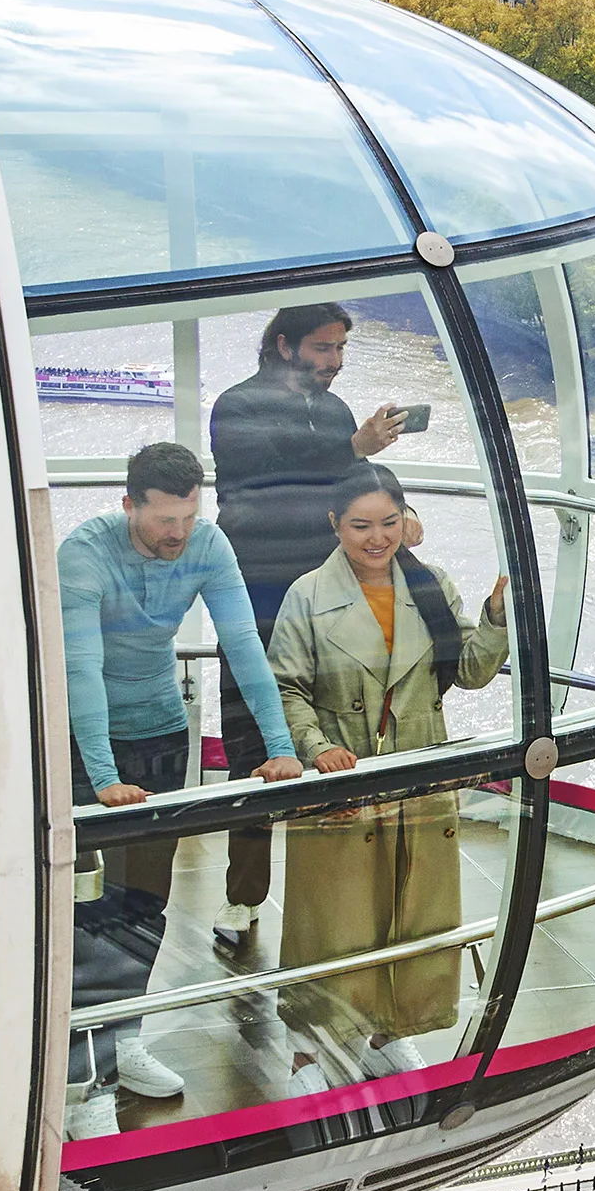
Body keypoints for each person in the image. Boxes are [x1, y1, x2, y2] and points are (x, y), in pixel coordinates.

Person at [56, 444, 303, 1137]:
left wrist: (281, 746)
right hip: (87, 739)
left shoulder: (207, 543)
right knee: (84, 913)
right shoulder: (83, 555)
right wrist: (104, 778)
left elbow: (245, 647)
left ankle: (121, 1038)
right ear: (129, 503)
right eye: (165, 519)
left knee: (145, 901)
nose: (178, 533)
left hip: (162, 731)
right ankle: (84, 1079)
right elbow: (79, 672)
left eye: (188, 517)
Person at [264, 465, 510, 1080]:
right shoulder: (307, 595)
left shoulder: (430, 586)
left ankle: (388, 1031)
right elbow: (284, 685)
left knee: (410, 907)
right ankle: (308, 1046)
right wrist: (318, 747)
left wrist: (499, 616)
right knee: (335, 916)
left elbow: (471, 672)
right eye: (361, 525)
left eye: (389, 523)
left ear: (406, 519)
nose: (377, 538)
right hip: (343, 778)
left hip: (420, 771)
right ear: (334, 525)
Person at [209, 304, 411, 954]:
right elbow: (263, 473)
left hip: (327, 594)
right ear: (283, 344)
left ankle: (337, 893)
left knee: (333, 730)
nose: (335, 362)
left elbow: (349, 492)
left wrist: (395, 519)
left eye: (341, 349)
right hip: (259, 595)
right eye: (323, 348)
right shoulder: (236, 407)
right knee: (255, 738)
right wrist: (352, 447)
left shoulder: (332, 411)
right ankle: (242, 899)